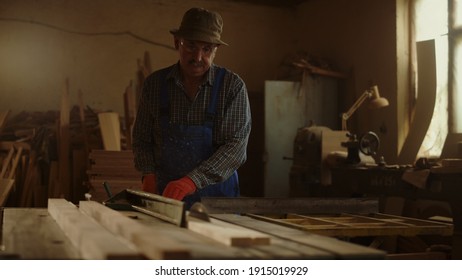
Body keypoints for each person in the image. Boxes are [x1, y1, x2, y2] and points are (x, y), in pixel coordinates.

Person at [132, 7, 251, 209]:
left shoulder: (232, 87)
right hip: (166, 199)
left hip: (218, 202)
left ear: (216, 50)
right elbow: (142, 138)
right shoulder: (154, 85)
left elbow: (236, 147)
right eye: (191, 46)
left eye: (206, 49)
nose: (197, 57)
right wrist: (148, 174)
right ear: (177, 42)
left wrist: (191, 181)